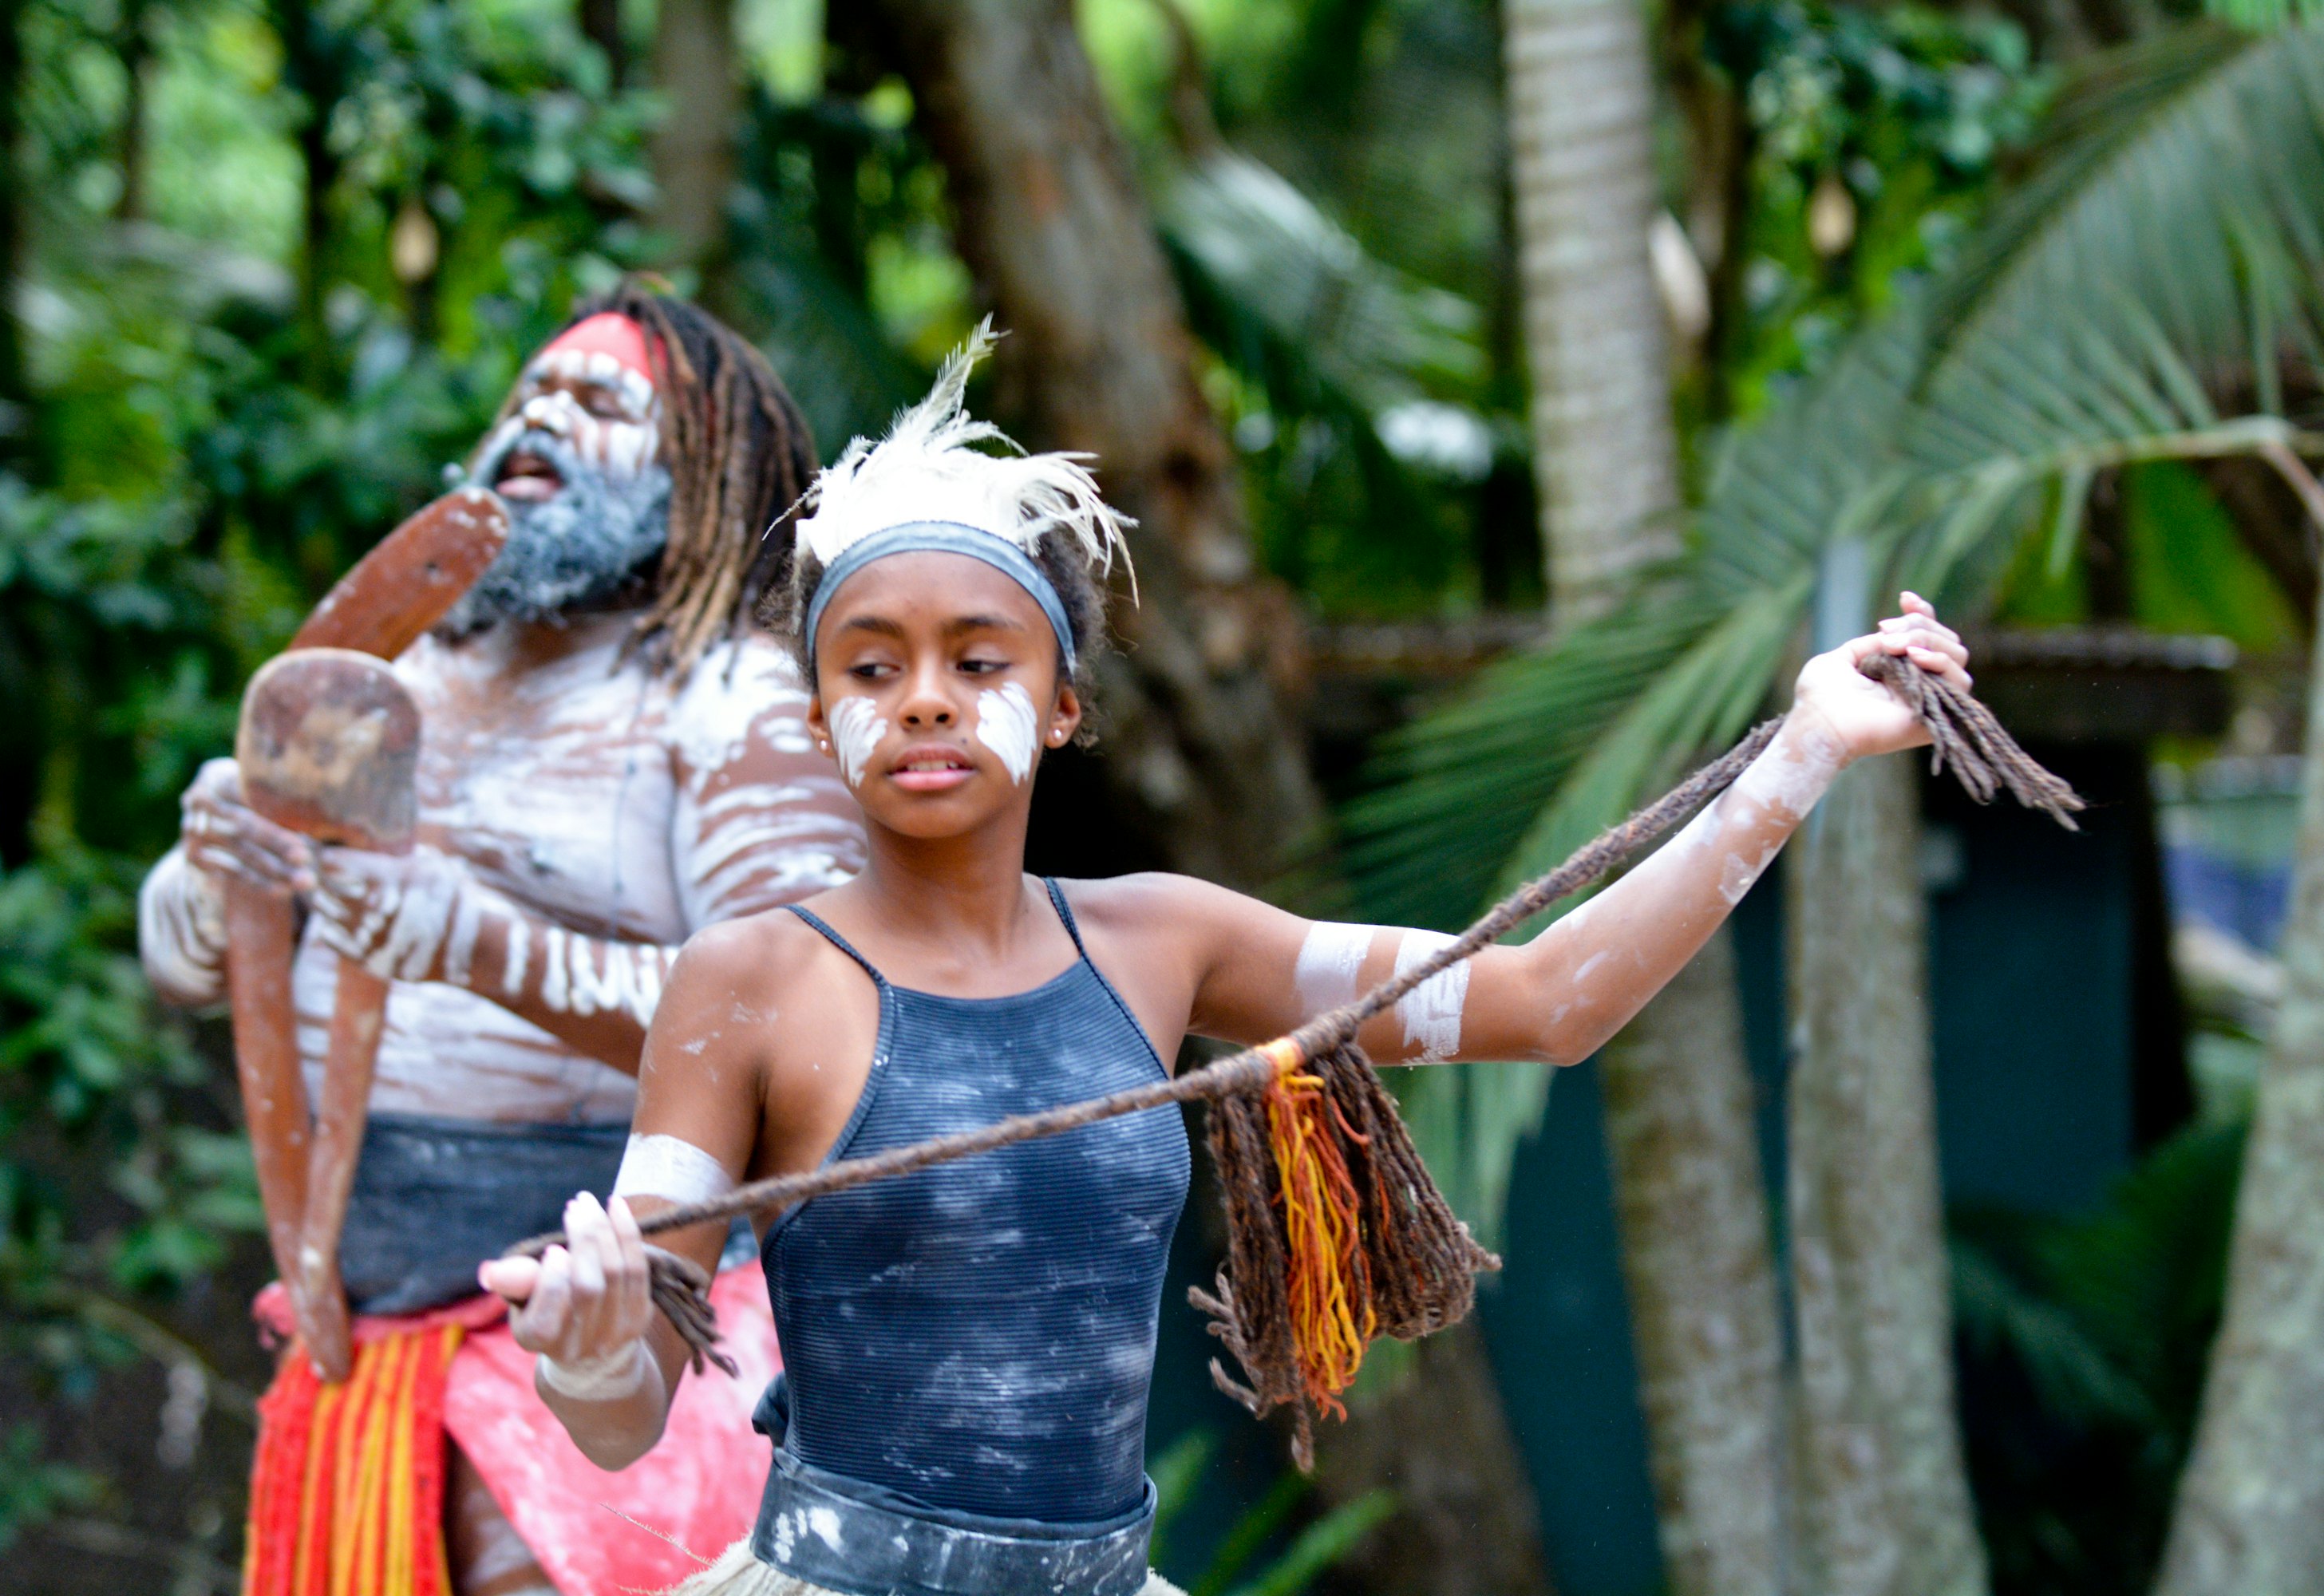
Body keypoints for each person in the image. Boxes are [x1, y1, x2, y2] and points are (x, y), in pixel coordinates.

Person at [479, 329, 1974, 1596]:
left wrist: (1808, 749)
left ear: (1061, 703)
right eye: (870, 666)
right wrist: (593, 1345)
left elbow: (1546, 1002)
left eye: (977, 661)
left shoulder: (1163, 942)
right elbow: (617, 1423)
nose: (924, 700)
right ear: (817, 717)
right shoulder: (745, 979)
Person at [137, 290, 866, 1596]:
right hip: (358, 1334)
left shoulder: (733, 695)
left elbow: (815, 1030)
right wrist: (210, 889)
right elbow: (191, 970)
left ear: (704, 474)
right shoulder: (397, 675)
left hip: (618, 1338)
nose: (538, 416)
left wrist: (481, 946)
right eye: (526, 395)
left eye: (598, 404)